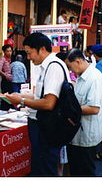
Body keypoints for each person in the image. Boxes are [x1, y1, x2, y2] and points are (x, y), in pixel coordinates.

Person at [5, 32, 70, 176]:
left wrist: (21, 101)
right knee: (40, 167)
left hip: (46, 127)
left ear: (41, 49)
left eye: (29, 53)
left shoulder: (53, 67)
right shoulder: (47, 66)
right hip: (42, 126)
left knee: (44, 170)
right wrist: (20, 95)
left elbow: (48, 103)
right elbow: (41, 96)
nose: (28, 57)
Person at [64, 48, 102, 176]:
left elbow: (93, 108)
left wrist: (69, 109)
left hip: (86, 137)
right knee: (76, 171)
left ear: (77, 62)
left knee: (85, 173)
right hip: (77, 135)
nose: (70, 70)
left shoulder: (94, 79)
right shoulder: (82, 77)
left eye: (70, 67)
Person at [0, 44, 14, 110]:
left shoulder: (9, 59)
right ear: (4, 52)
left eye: (10, 51)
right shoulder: (3, 59)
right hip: (5, 81)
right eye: (7, 51)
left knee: (9, 96)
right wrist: (5, 75)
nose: (9, 53)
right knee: (5, 96)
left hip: (9, 81)